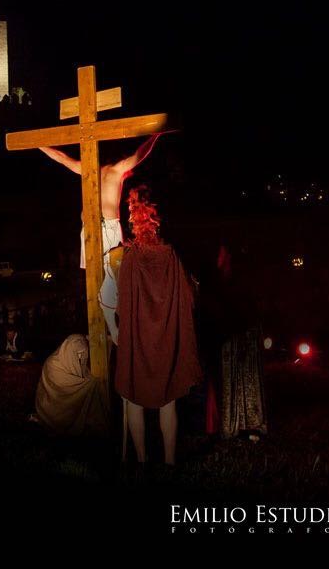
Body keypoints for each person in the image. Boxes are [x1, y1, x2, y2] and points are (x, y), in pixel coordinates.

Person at [39, 133, 162, 344]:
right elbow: (139, 154)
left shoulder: (88, 169)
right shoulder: (117, 169)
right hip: (95, 229)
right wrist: (155, 136)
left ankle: (118, 326)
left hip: (101, 227)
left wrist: (40, 145)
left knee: (111, 278)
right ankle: (109, 328)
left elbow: (60, 157)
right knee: (103, 280)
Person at [114, 186, 202, 464]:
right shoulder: (170, 254)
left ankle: (141, 461)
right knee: (168, 400)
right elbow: (188, 297)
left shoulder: (130, 258)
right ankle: (169, 462)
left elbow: (122, 305)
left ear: (135, 219)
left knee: (134, 400)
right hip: (166, 338)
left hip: (138, 340)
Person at [199, 242, 268, 439]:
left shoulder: (235, 280)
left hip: (238, 336)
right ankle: (228, 424)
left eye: (221, 255)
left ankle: (246, 424)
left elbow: (243, 309)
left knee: (243, 380)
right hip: (226, 336)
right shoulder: (217, 280)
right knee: (225, 382)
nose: (218, 259)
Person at [33, 333, 109, 437]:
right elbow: (64, 390)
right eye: (78, 354)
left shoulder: (79, 359)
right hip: (50, 407)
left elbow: (83, 379)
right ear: (68, 350)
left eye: (83, 354)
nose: (81, 357)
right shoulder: (53, 365)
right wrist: (90, 384)